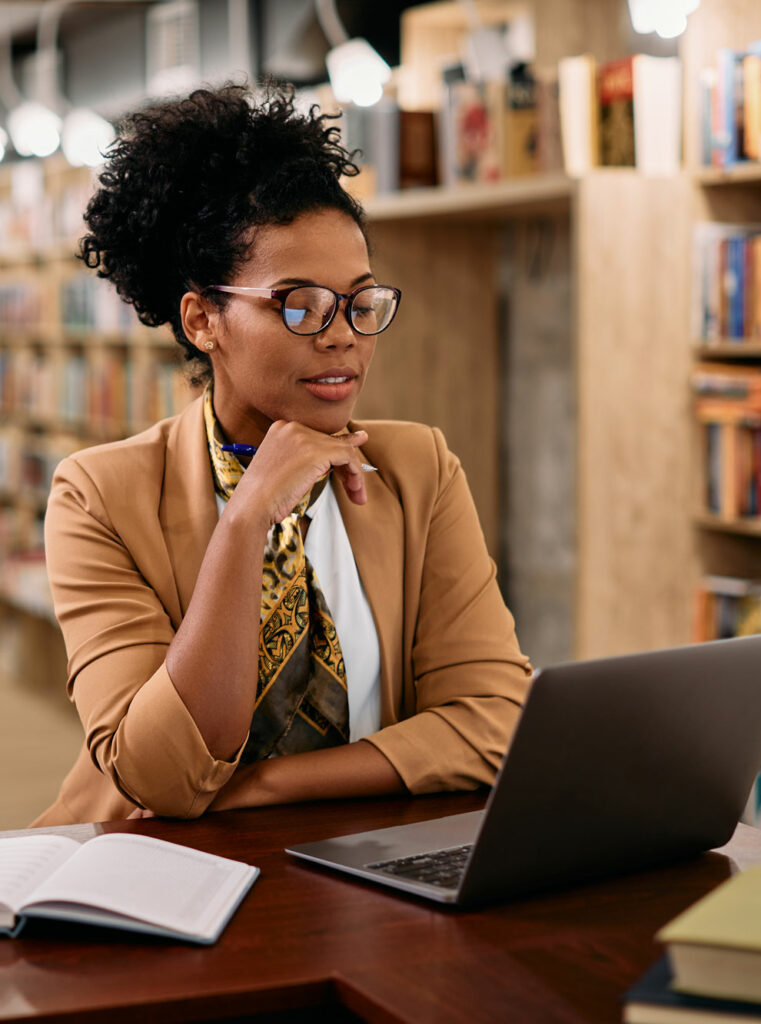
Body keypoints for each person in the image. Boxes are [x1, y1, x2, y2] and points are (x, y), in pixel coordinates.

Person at [33, 82, 532, 826]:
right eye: (298, 304)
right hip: (150, 885)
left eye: (360, 302)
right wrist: (245, 524)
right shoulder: (98, 495)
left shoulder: (416, 469)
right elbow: (162, 777)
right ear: (203, 319)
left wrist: (264, 788)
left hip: (353, 878)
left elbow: (496, 721)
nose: (342, 336)